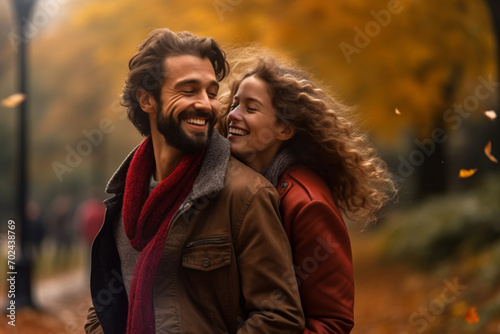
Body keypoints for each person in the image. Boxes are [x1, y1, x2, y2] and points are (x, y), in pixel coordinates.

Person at [84, 29, 305, 334]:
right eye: (189, 90)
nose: (207, 105)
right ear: (147, 99)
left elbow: (279, 317)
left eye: (212, 93)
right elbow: (102, 310)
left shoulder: (246, 196)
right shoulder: (124, 201)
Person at [220, 53, 397, 333]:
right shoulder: (235, 184)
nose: (233, 115)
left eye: (251, 109)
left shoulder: (306, 204)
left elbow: (332, 321)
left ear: (285, 128)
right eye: (234, 104)